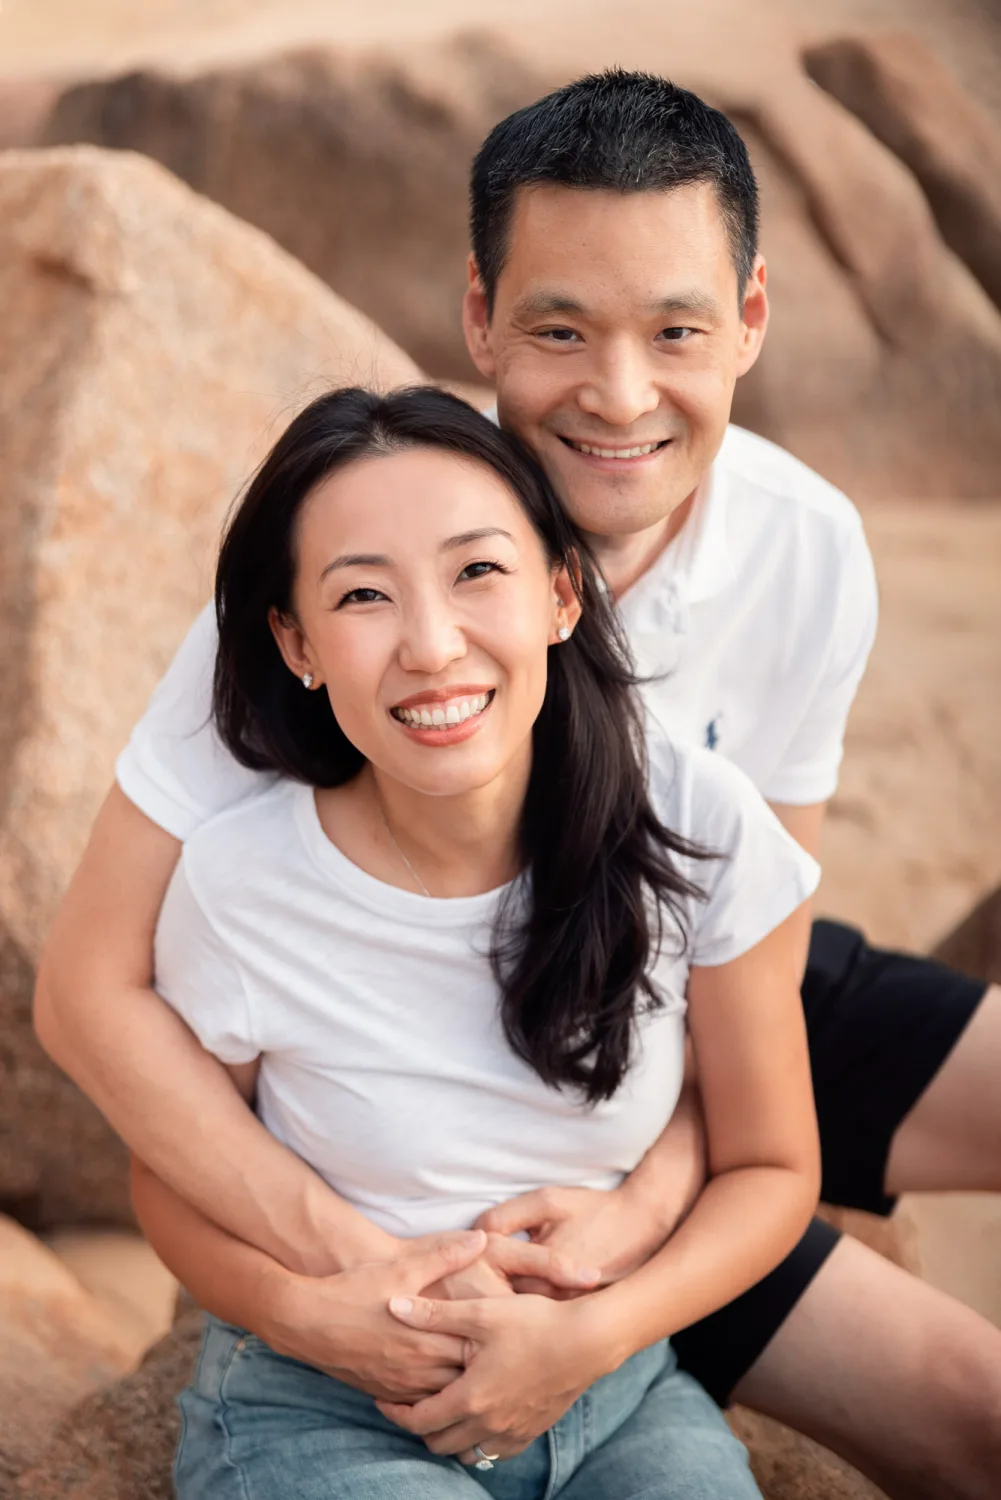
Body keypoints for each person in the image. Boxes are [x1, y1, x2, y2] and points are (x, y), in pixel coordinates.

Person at [35, 71, 1001, 1500]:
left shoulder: (806, 549)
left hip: (684, 983)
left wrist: (643, 1212)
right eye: (559, 329)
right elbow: (87, 992)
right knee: (970, 1405)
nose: (618, 393)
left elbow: (765, 961)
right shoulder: (369, 562)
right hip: (437, 1062)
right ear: (480, 317)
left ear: (749, 319)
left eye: (674, 329)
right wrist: (351, 1266)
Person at [149, 382, 820, 1498]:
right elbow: (170, 1179)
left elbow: (772, 1165)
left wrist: (594, 1335)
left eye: (476, 572)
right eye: (363, 595)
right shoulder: (239, 883)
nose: (431, 645)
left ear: (560, 594)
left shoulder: (692, 819)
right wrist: (304, 1316)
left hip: (616, 1391)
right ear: (296, 643)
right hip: (322, 1405)